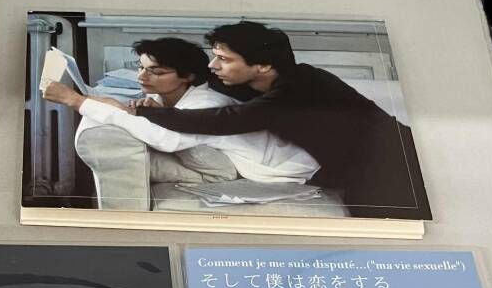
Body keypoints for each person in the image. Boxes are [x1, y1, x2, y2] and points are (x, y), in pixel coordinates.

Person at [129, 22, 429, 218]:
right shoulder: (250, 80)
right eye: (214, 56)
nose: (213, 65)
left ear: (262, 65)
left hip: (394, 166)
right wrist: (157, 94)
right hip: (357, 166)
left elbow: (224, 121)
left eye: (224, 59)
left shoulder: (298, 89)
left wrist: (147, 112)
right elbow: (194, 81)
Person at [42, 36, 319, 185]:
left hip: (289, 166)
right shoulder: (164, 98)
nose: (142, 77)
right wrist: (112, 105)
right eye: (141, 68)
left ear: (187, 76)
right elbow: (140, 116)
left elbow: (167, 139)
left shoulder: (207, 104)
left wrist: (76, 101)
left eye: (157, 72)